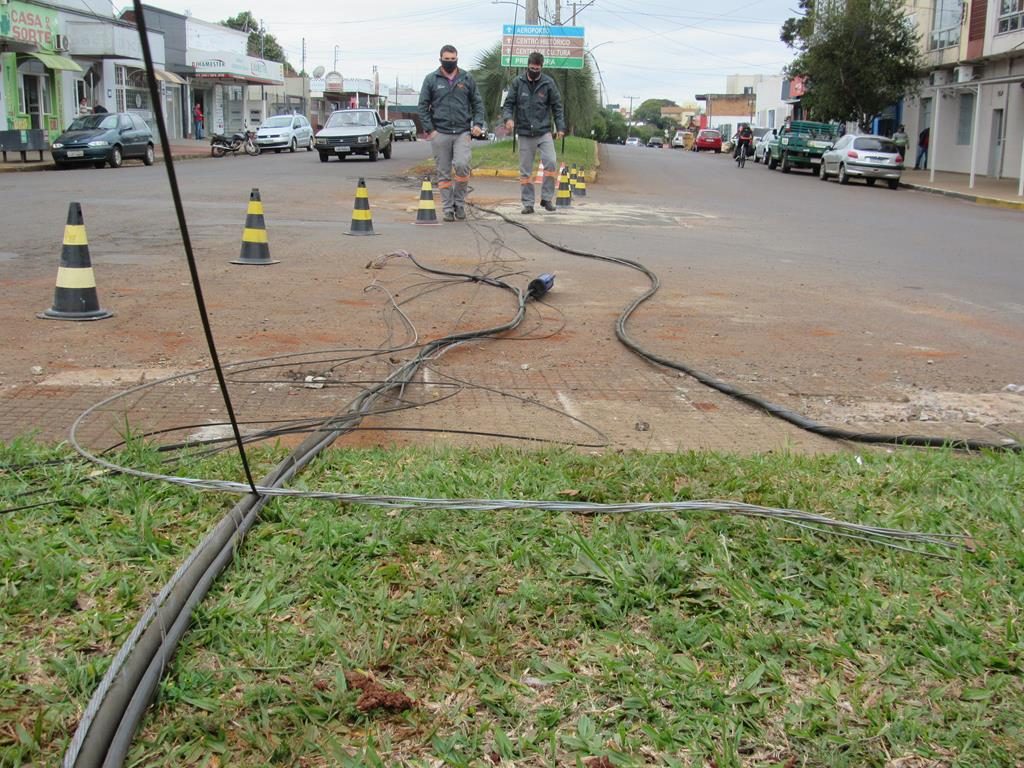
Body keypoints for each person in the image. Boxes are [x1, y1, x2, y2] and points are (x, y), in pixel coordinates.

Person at [418, 44, 484, 222]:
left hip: (462, 131)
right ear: (440, 59)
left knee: (462, 166)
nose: (449, 62)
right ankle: (448, 208)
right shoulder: (431, 79)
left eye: (452, 59)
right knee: (444, 173)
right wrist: (430, 130)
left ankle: (459, 204)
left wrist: (477, 124)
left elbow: (477, 103)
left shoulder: (467, 78)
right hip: (440, 132)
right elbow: (423, 106)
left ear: (457, 58)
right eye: (446, 59)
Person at [501, 52, 565, 214]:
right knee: (526, 171)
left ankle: (547, 198)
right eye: (531, 68)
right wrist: (508, 119)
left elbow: (557, 107)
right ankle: (528, 203)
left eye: (537, 68)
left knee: (550, 162)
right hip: (524, 132)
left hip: (543, 131)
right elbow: (508, 104)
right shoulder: (518, 83)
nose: (534, 71)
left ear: (541, 67)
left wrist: (561, 128)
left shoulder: (548, 83)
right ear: (527, 66)